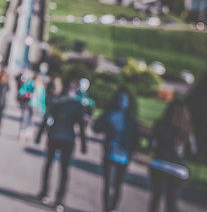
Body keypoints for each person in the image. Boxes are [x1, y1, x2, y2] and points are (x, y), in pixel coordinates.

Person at [35, 80, 88, 212]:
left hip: (55, 136)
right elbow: (81, 125)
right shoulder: (77, 104)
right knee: (63, 170)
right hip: (67, 139)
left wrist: (39, 134)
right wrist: (83, 143)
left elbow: (47, 117)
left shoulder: (58, 100)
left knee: (49, 165)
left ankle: (45, 192)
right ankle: (59, 200)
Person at [93, 88, 140, 212]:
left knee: (109, 184)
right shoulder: (131, 120)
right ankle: (112, 208)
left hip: (111, 153)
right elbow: (136, 141)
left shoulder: (110, 115)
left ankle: (108, 208)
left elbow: (96, 128)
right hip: (123, 156)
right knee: (118, 185)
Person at [148, 100, 197, 212]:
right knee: (172, 203)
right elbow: (192, 152)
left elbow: (152, 144)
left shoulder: (160, 125)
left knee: (155, 198)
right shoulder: (188, 130)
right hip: (178, 170)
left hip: (160, 165)